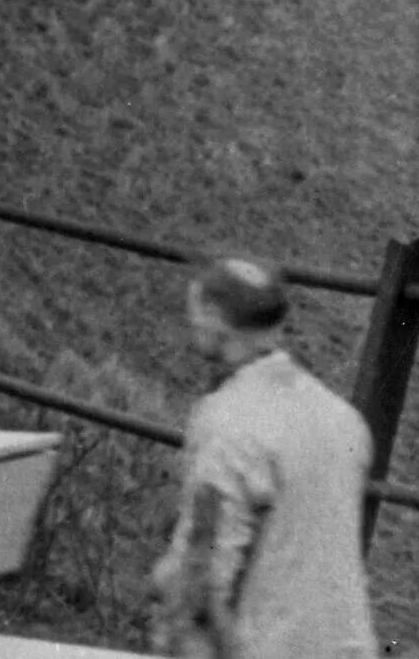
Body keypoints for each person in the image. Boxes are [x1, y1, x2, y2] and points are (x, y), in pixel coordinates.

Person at [149, 258, 377, 659]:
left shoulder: (228, 421)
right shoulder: (343, 420)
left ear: (214, 316)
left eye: (195, 311)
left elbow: (202, 580)